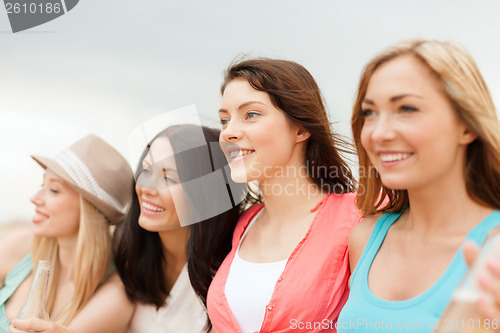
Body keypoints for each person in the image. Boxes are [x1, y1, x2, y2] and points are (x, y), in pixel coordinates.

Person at [338, 39, 500, 332]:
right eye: (369, 113)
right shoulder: (365, 238)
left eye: (407, 108)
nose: (379, 133)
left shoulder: (495, 248)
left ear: (467, 126)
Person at [207, 58, 361, 332]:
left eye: (251, 114)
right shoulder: (244, 223)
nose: (228, 132)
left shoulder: (357, 216)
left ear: (300, 128)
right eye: (224, 120)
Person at [113, 124, 243, 333]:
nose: (147, 188)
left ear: (205, 193)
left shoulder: (227, 283)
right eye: (146, 170)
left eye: (169, 178)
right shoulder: (132, 256)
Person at [0, 135, 135, 333]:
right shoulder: (18, 245)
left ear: (89, 209)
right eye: (42, 185)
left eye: (54, 190)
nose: (35, 198)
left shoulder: (115, 295)